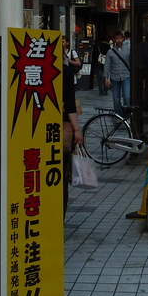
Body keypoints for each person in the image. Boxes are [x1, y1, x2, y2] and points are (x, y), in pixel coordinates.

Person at [62, 42, 84, 216]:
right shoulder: (65, 72)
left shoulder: (36, 73)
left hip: (36, 131)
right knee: (60, 175)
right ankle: (58, 216)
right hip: (62, 129)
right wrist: (77, 130)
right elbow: (70, 105)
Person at [104, 31, 131, 113]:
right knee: (116, 99)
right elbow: (107, 65)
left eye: (120, 38)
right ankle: (118, 116)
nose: (119, 40)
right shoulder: (110, 52)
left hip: (126, 75)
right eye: (117, 38)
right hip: (114, 77)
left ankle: (127, 114)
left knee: (127, 96)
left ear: (123, 39)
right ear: (114, 40)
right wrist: (106, 78)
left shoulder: (129, 50)